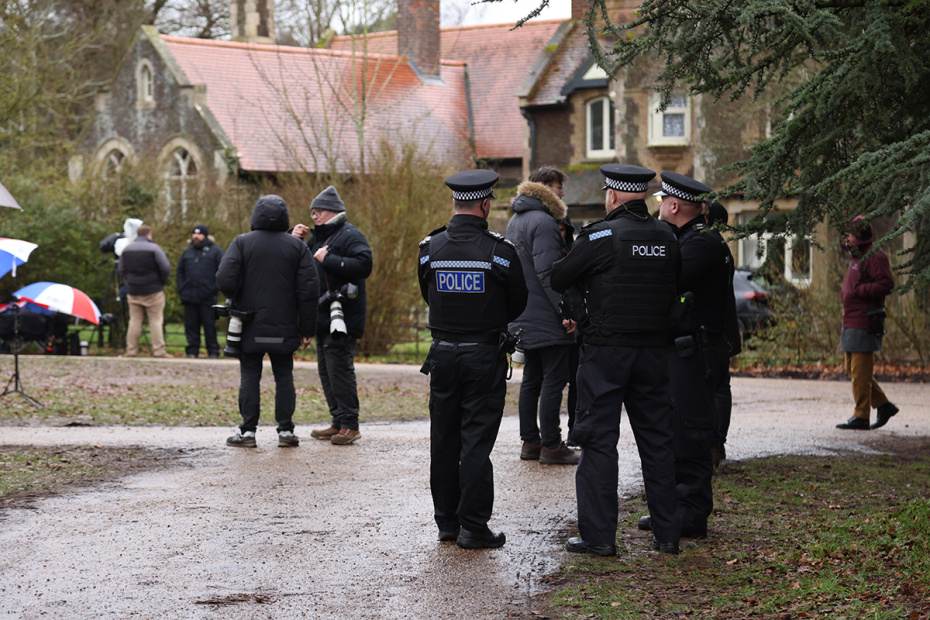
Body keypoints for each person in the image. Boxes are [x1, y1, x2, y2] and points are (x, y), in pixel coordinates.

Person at [551, 164, 681, 556]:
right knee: (658, 442)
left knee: (599, 442)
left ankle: (598, 537)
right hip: (655, 354)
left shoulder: (601, 235)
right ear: (642, 197)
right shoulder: (668, 236)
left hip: (607, 352)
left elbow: (559, 276)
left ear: (612, 196)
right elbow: (675, 283)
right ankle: (668, 535)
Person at [417, 169, 528, 549]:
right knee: (475, 442)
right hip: (483, 356)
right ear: (484, 204)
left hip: (443, 354)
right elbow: (519, 302)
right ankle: (473, 527)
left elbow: (426, 295)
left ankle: (447, 523)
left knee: (444, 439)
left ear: (455, 202)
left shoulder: (430, 248)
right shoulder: (500, 251)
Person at [638, 172, 735, 541]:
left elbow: (667, 282)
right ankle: (675, 507)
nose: (659, 206)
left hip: (695, 352)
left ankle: (690, 512)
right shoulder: (694, 238)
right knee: (679, 428)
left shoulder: (699, 244)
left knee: (690, 432)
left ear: (674, 205)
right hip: (690, 348)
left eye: (663, 201)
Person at [217, 195, 319, 448]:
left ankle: (248, 432)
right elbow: (309, 290)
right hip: (284, 328)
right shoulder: (297, 247)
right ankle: (286, 431)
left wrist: (240, 291)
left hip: (249, 324)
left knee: (250, 376)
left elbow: (225, 282)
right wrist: (307, 328)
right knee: (284, 375)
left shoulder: (241, 243)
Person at [506, 166, 578, 465]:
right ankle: (551, 444)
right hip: (547, 315)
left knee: (532, 379)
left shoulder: (516, 219)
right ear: (547, 187)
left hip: (523, 313)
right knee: (553, 380)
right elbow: (549, 273)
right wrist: (567, 310)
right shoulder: (545, 222)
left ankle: (530, 443)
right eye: (559, 187)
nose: (562, 193)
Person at [292, 186, 372, 446]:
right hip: (322, 315)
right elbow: (296, 264)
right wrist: (294, 239)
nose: (314, 215)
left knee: (339, 370)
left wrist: (330, 259)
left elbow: (364, 265)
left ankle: (350, 424)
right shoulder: (318, 238)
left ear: (335, 211)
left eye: (320, 211)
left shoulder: (350, 234)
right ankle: (338, 421)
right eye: (312, 211)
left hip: (343, 317)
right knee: (326, 371)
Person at [836, 215, 898, 430]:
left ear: (859, 236)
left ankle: (861, 415)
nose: (847, 239)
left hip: (865, 319)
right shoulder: (857, 255)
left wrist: (861, 291)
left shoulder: (874, 255)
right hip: (851, 318)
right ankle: (883, 405)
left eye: (850, 235)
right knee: (853, 370)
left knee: (860, 371)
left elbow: (887, 283)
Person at [705, 202, 741, 466]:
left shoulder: (707, 246)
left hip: (713, 330)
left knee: (714, 388)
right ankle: (719, 442)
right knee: (721, 388)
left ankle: (714, 442)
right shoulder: (723, 248)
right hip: (725, 328)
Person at [118, 224, 170, 358]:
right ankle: (159, 351)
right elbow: (165, 267)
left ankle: (131, 350)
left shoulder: (127, 249)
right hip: (153, 290)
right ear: (149, 234)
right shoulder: (154, 248)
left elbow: (121, 270)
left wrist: (129, 281)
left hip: (133, 289)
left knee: (134, 321)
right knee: (156, 321)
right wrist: (161, 282)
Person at [176, 224, 225, 358]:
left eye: (199, 234)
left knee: (209, 326)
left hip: (207, 298)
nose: (196, 236)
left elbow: (223, 271)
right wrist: (182, 288)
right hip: (189, 296)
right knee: (191, 326)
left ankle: (213, 351)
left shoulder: (216, 252)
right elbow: (180, 271)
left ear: (205, 235)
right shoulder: (187, 252)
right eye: (194, 234)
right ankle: (192, 351)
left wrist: (214, 289)